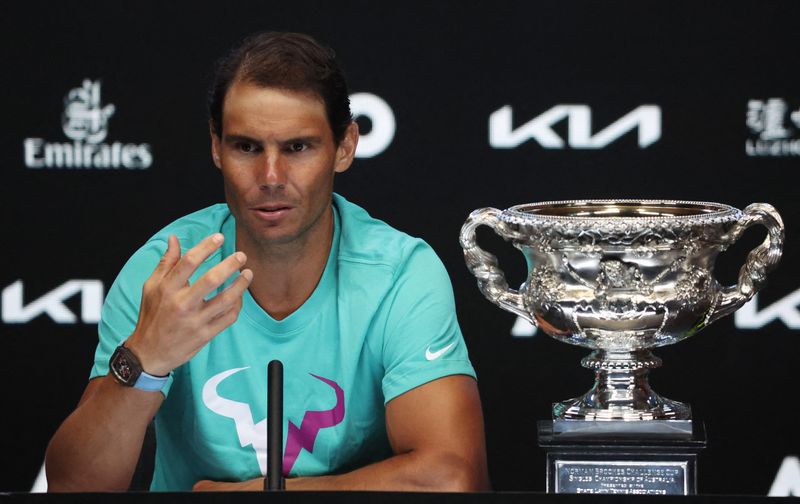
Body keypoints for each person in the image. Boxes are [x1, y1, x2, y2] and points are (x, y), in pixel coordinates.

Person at [45, 31, 489, 492]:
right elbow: (74, 486)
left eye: (298, 147)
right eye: (247, 147)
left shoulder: (400, 274)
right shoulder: (167, 271)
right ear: (217, 147)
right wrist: (144, 359)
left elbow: (451, 480)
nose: (270, 177)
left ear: (345, 146)